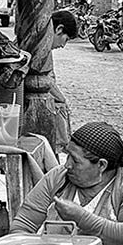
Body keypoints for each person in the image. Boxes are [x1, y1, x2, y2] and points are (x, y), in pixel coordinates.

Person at [49, 9, 79, 153]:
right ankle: (63, 145)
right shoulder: (39, 47)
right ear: (59, 29)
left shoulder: (46, 50)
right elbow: (47, 82)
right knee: (60, 106)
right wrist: (62, 99)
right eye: (65, 39)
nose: (63, 45)